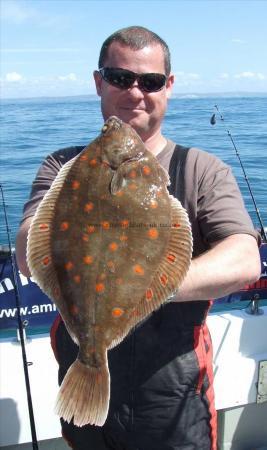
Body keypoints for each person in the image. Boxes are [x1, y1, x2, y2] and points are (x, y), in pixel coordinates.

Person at [16, 26, 261, 450]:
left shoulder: (202, 170)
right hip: (82, 379)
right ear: (98, 82)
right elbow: (27, 252)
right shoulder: (62, 166)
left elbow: (244, 259)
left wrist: (144, 286)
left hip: (174, 396)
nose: (134, 93)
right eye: (119, 78)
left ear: (168, 86)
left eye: (149, 82)